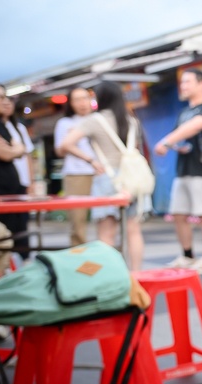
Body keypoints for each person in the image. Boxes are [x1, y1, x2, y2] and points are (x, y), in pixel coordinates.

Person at [60, 81, 146, 271]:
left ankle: (110, 276)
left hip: (108, 178)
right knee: (133, 230)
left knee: (107, 233)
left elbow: (66, 144)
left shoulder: (94, 120)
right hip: (132, 179)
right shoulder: (131, 120)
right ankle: (137, 274)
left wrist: (91, 161)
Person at [153, 68, 202, 274]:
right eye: (182, 82)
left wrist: (166, 142)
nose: (183, 86)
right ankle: (187, 255)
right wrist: (175, 145)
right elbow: (182, 134)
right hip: (183, 169)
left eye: (188, 81)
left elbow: (196, 126)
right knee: (178, 213)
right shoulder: (183, 112)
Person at [54, 86, 97, 246]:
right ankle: (79, 257)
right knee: (78, 221)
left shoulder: (98, 119)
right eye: (77, 99)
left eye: (85, 98)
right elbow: (60, 150)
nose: (82, 103)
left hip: (101, 173)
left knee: (105, 218)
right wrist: (70, 140)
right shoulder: (65, 123)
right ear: (70, 103)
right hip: (76, 174)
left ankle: (104, 255)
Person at [0, 83, 27, 244]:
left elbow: (21, 148)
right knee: (1, 241)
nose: (5, 101)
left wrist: (13, 149)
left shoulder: (2, 126)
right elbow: (6, 154)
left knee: (15, 237)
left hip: (11, 192)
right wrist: (14, 150)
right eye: (0, 97)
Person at [0, 97, 35, 195]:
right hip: (2, 181)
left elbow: (27, 156)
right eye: (2, 99)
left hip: (22, 181)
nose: (7, 104)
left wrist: (31, 181)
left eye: (10, 101)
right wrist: (18, 150)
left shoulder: (20, 128)